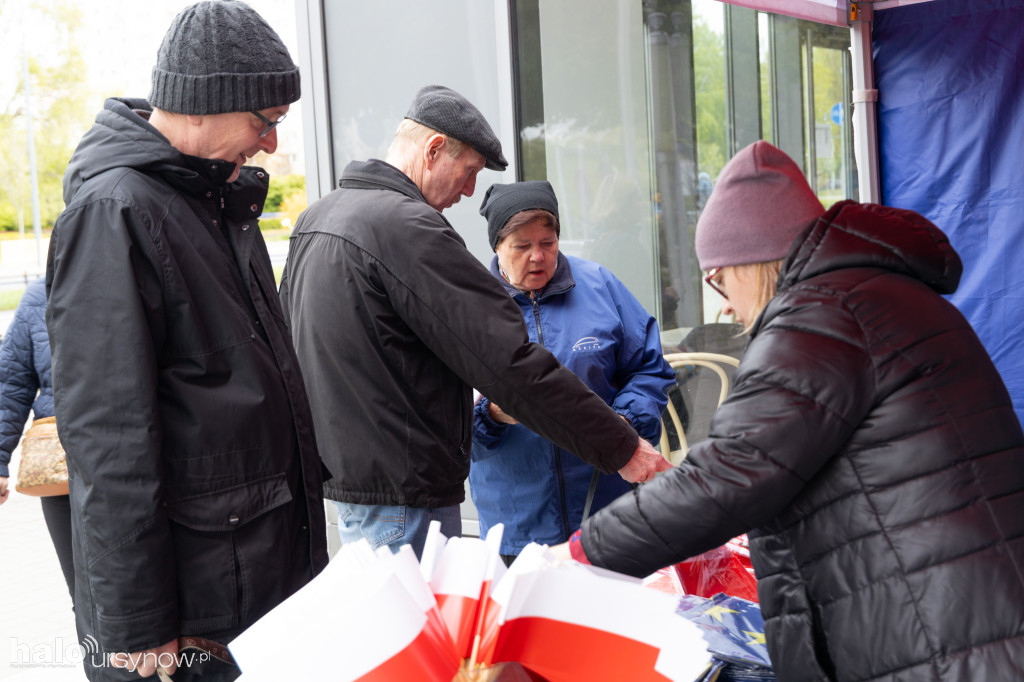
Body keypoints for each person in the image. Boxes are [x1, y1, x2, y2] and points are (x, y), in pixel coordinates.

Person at [561, 141, 1024, 680]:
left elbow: (727, 475)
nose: (726, 304)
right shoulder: (883, 294)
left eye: (719, 279)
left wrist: (579, 555)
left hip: (941, 630)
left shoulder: (822, 316)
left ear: (753, 263)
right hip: (966, 607)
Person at [45, 3, 327, 680]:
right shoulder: (115, 211)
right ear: (204, 104)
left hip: (247, 579)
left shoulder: (215, 200)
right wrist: (138, 623)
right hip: (187, 615)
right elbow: (109, 435)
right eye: (266, 122)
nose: (271, 145)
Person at [280, 85, 669, 558]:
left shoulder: (316, 218)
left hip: (355, 493)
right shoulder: (408, 227)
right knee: (424, 629)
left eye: (546, 242)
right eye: (468, 173)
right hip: (408, 499)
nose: (469, 191)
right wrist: (622, 447)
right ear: (433, 150)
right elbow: (510, 367)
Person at [470, 181, 675, 564]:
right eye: (521, 246)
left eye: (547, 243)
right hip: (517, 528)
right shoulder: (469, 306)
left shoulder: (600, 285)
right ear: (497, 247)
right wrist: (491, 416)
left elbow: (649, 369)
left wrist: (621, 425)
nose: (537, 256)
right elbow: (448, 433)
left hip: (606, 518)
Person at [0, 278, 74, 599]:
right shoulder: (37, 297)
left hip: (132, 465)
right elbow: (11, 386)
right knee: (83, 595)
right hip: (59, 469)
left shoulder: (133, 283)